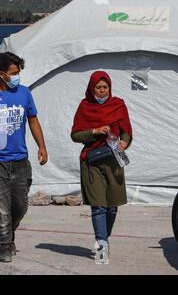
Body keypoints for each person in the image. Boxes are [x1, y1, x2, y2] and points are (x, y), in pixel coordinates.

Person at [0, 52, 48, 263]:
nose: (18, 76)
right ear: (2, 74)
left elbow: (33, 120)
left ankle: (8, 232)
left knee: (20, 205)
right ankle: (5, 243)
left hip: (20, 159)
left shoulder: (24, 94)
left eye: (19, 72)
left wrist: (42, 146)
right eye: (14, 73)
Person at [71, 71, 132, 265]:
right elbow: (75, 135)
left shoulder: (118, 105)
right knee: (99, 206)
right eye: (98, 87)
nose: (102, 91)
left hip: (114, 161)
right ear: (92, 88)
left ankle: (105, 236)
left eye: (105, 87)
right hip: (92, 162)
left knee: (112, 207)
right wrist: (94, 131)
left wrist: (124, 142)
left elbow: (126, 132)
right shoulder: (84, 106)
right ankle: (102, 243)